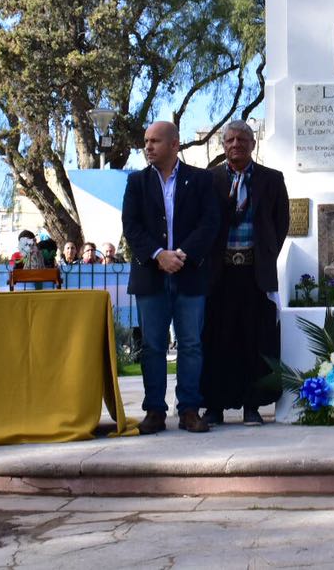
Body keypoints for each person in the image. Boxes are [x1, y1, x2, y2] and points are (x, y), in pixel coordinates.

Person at [122, 120, 221, 435]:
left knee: (191, 343)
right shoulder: (136, 182)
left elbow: (210, 223)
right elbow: (131, 226)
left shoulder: (201, 180)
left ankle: (189, 409)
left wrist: (181, 254)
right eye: (146, 140)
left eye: (155, 141)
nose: (148, 146)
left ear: (174, 144)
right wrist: (158, 255)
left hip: (189, 275)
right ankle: (154, 411)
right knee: (152, 346)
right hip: (151, 276)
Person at [201, 121, 290, 427]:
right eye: (230, 140)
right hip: (219, 273)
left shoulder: (271, 180)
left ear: (253, 144)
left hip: (254, 272)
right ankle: (214, 406)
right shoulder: (209, 180)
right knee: (217, 340)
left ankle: (253, 405)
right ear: (222, 146)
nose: (236, 144)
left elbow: (281, 223)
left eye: (242, 139)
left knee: (255, 341)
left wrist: (264, 255)